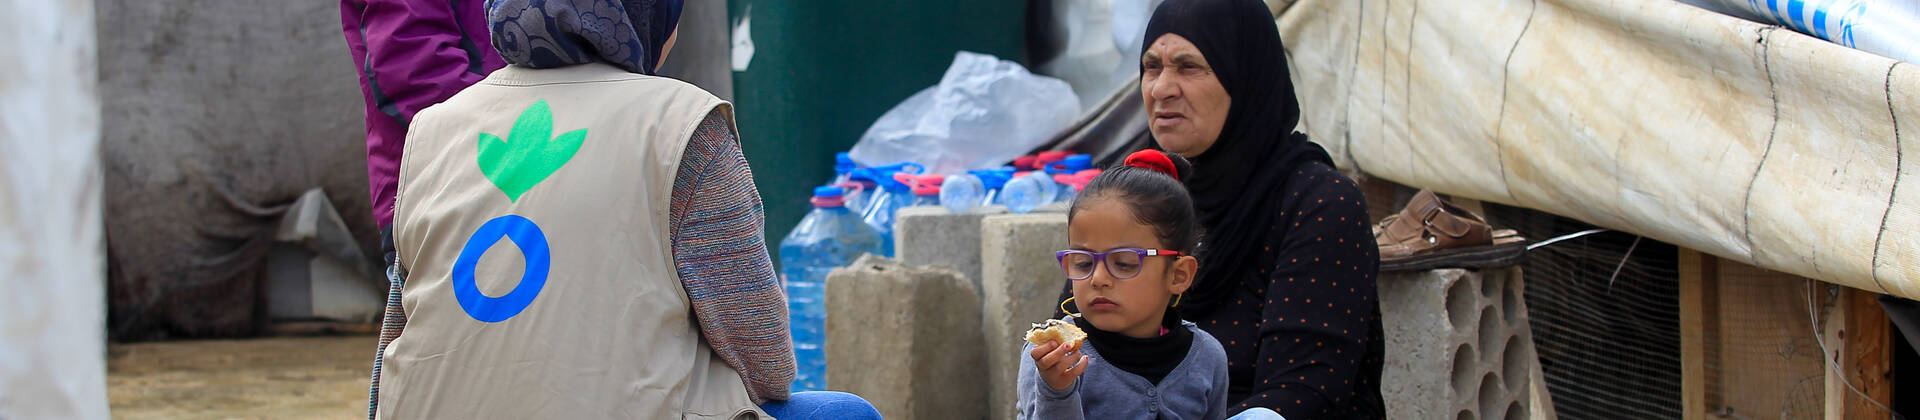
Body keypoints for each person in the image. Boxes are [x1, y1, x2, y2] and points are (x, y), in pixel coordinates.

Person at [370, 1, 880, 419]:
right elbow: (764, 361)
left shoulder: (432, 129)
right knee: (845, 413)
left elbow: (396, 340)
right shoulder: (682, 124)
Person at [1075, 0, 1389, 417]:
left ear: (1245, 78)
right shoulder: (1130, 196)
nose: (1161, 88)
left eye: (1188, 67)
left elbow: (1304, 390)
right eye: (1152, 67)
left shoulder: (1318, 203)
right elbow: (1073, 346)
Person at [339, 1, 504, 416]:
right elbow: (413, 63)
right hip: (450, 189)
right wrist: (522, 140)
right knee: (443, 378)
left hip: (528, 170)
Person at [1021, 149, 1269, 420]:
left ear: (1178, 275)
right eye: (1083, 262)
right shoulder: (1053, 358)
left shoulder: (1207, 357)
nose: (1098, 279)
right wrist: (1057, 389)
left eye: (1124, 263)